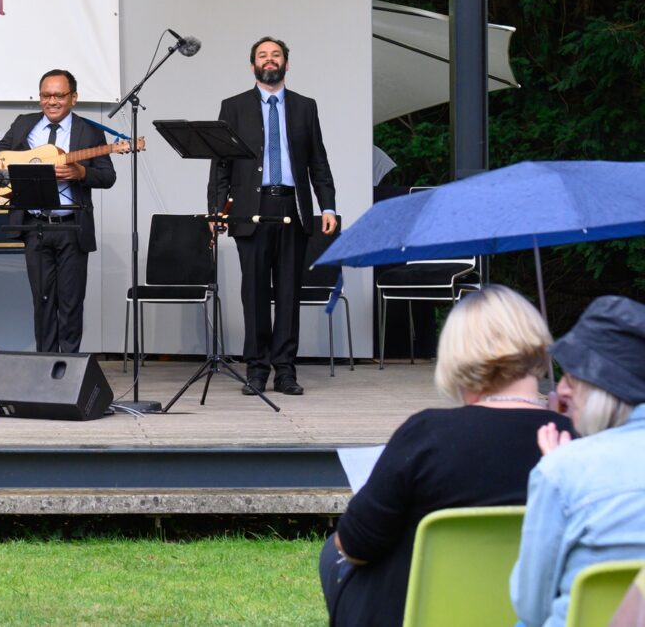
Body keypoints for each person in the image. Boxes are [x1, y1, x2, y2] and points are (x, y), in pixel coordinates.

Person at [318, 285, 572, 627]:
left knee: (332, 553)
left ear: (457, 355)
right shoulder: (576, 442)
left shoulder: (426, 435)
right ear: (537, 347)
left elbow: (353, 545)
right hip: (540, 614)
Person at [207, 36, 337, 396]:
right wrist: (216, 210)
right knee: (254, 294)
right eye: (262, 55)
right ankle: (256, 370)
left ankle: (285, 371)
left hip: (292, 207)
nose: (269, 60)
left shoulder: (305, 106)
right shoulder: (233, 107)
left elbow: (318, 161)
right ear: (253, 65)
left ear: (286, 63)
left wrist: (328, 205)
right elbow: (221, 165)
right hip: (250, 209)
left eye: (275, 55)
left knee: (289, 292)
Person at [511, 295, 645, 627]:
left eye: (572, 377)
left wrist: (562, 470)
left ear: (605, 387)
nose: (561, 390)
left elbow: (531, 608)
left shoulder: (562, 470)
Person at [0, 69, 118, 353]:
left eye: (59, 95)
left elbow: (107, 176)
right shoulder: (23, 124)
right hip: (34, 226)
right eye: (45, 95)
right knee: (42, 301)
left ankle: (69, 366)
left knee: (71, 302)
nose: (51, 101)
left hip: (72, 227)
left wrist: (80, 173)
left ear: (73, 98)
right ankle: (45, 363)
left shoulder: (90, 131)